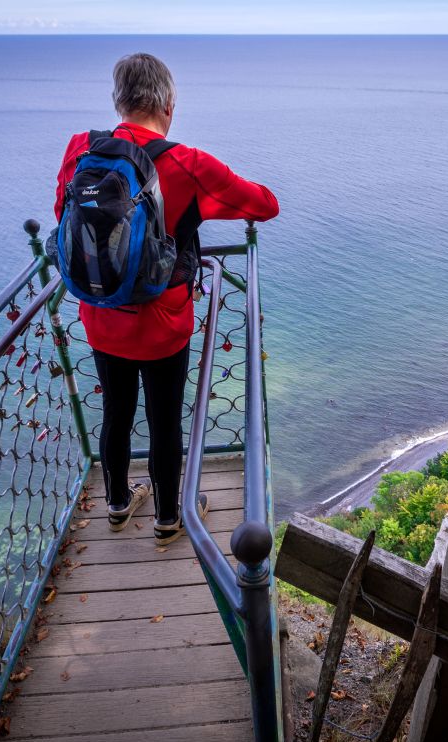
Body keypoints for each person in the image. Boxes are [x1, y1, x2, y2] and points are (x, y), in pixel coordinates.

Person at [54, 53, 279, 545]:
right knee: (164, 418)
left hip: (101, 311)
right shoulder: (187, 163)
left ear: (119, 101)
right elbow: (265, 205)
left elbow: (63, 218)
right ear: (169, 105)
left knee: (116, 410)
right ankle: (168, 517)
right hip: (162, 322)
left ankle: (116, 504)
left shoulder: (79, 151)